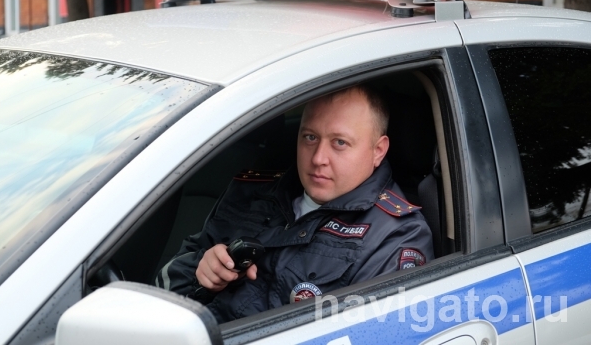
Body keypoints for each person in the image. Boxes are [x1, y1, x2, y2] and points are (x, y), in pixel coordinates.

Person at [155, 85, 434, 323]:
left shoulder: (395, 236)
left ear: (378, 150)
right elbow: (162, 287)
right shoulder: (253, 192)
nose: (318, 158)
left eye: (339, 142)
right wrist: (202, 272)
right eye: (310, 137)